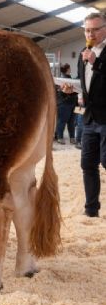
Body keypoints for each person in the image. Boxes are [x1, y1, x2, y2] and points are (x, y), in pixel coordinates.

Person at [77, 12, 106, 218]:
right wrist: (73, 90)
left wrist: (96, 62)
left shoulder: (96, 56)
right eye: (87, 30)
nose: (91, 33)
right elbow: (87, 86)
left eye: (95, 29)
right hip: (89, 118)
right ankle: (91, 209)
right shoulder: (83, 54)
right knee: (88, 164)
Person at [55, 63, 78, 144]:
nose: (70, 69)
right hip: (64, 104)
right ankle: (60, 137)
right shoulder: (62, 80)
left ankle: (72, 138)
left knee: (71, 122)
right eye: (69, 68)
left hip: (71, 103)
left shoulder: (69, 78)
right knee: (62, 121)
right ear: (68, 69)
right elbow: (61, 93)